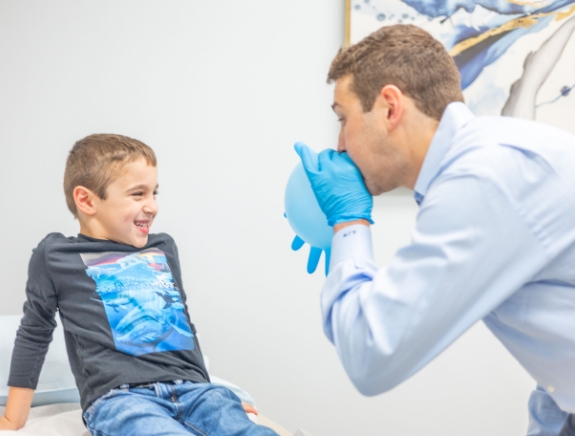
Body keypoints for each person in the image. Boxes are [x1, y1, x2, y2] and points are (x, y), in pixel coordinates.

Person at [294, 24, 575, 435]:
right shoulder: (491, 158)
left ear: (390, 107)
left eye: (344, 119)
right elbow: (558, 338)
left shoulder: (484, 182)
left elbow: (371, 354)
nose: (339, 144)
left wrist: (348, 223)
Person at [0, 134, 277, 436]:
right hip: (120, 399)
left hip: (194, 391)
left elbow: (182, 324)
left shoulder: (163, 248)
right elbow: (34, 333)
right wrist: (13, 420)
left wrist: (213, 395)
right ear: (87, 200)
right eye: (138, 194)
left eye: (154, 193)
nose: (153, 206)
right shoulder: (56, 256)